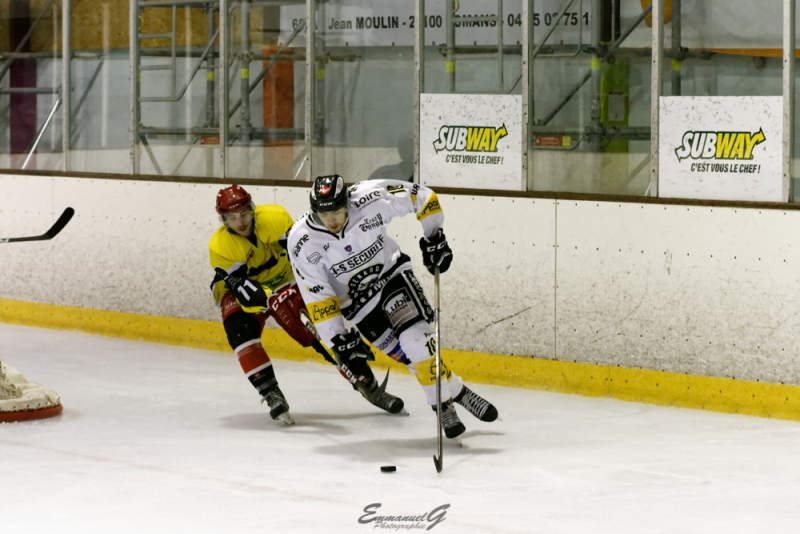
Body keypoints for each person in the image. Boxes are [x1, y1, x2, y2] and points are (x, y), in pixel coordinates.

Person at [286, 175, 498, 439]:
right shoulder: (302, 241)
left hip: (391, 278)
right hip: (358, 306)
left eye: (337, 211)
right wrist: (336, 339)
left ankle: (441, 406)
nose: (331, 220)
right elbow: (317, 294)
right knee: (413, 357)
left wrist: (435, 237)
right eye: (323, 214)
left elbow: (422, 197)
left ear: (347, 202)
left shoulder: (370, 196)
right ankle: (459, 392)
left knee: (417, 342)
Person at [209, 185, 405, 426]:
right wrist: (271, 297)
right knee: (240, 333)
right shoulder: (220, 245)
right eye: (231, 217)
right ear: (223, 219)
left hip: (289, 280)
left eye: (244, 214)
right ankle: (271, 393)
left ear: (252, 209)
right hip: (246, 292)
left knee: (324, 335)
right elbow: (247, 292)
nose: (240, 222)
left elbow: (301, 254)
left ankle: (368, 385)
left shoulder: (275, 217)